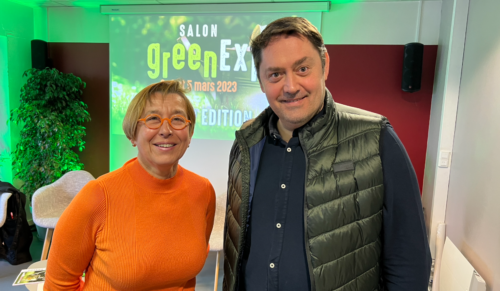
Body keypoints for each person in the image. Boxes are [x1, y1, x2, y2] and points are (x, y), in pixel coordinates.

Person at [223, 17, 431, 291]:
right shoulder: (245, 146)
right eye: (275, 74)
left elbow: (410, 261)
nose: (290, 86)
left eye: (302, 68)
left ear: (325, 65)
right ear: (261, 81)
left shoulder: (375, 138)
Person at [45, 80, 216, 291]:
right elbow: (58, 285)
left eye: (178, 119)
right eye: (153, 119)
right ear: (133, 134)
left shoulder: (203, 191)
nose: (166, 129)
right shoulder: (98, 196)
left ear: (189, 134)